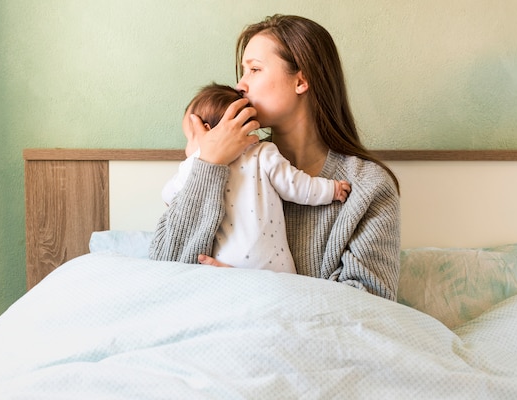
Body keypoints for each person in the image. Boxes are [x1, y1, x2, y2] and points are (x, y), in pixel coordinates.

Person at [150, 14, 401, 300]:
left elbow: (371, 304)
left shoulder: (368, 187)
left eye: (254, 70)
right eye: (242, 72)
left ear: (301, 81)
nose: (240, 86)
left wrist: (251, 286)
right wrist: (207, 165)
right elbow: (164, 273)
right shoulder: (220, 165)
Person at [159, 83, 351, 273]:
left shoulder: (194, 165)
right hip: (276, 270)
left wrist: (198, 159)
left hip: (224, 266)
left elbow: (169, 196)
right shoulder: (263, 153)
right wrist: (331, 190)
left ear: (206, 130)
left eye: (189, 137)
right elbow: (296, 185)